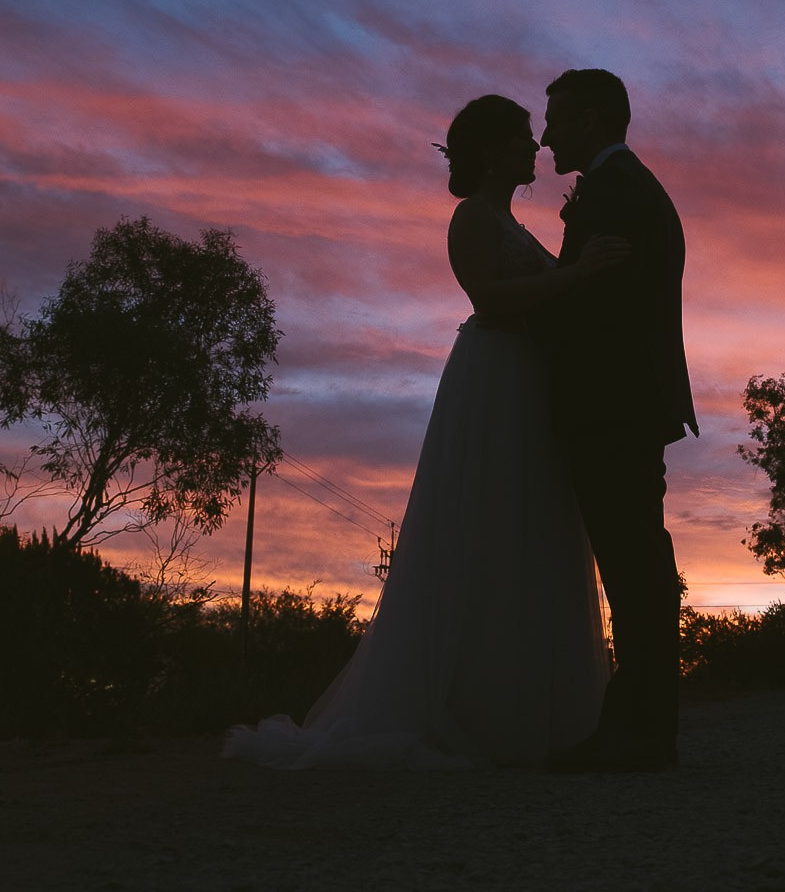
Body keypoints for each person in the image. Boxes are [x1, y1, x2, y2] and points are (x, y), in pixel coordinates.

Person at [224, 94, 624, 769]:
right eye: (524, 138)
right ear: (492, 149)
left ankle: (528, 712)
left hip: (530, 382)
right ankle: (468, 712)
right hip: (495, 379)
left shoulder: (510, 219)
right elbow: (489, 299)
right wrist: (578, 275)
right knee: (483, 524)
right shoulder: (470, 218)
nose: (535, 148)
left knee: (527, 533)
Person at [536, 69, 696, 773]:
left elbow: (598, 313)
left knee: (633, 569)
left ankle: (640, 733)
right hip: (628, 404)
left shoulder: (614, 194)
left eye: (557, 120)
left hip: (612, 407)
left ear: (592, 121)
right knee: (639, 565)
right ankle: (642, 725)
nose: (545, 136)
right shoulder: (630, 188)